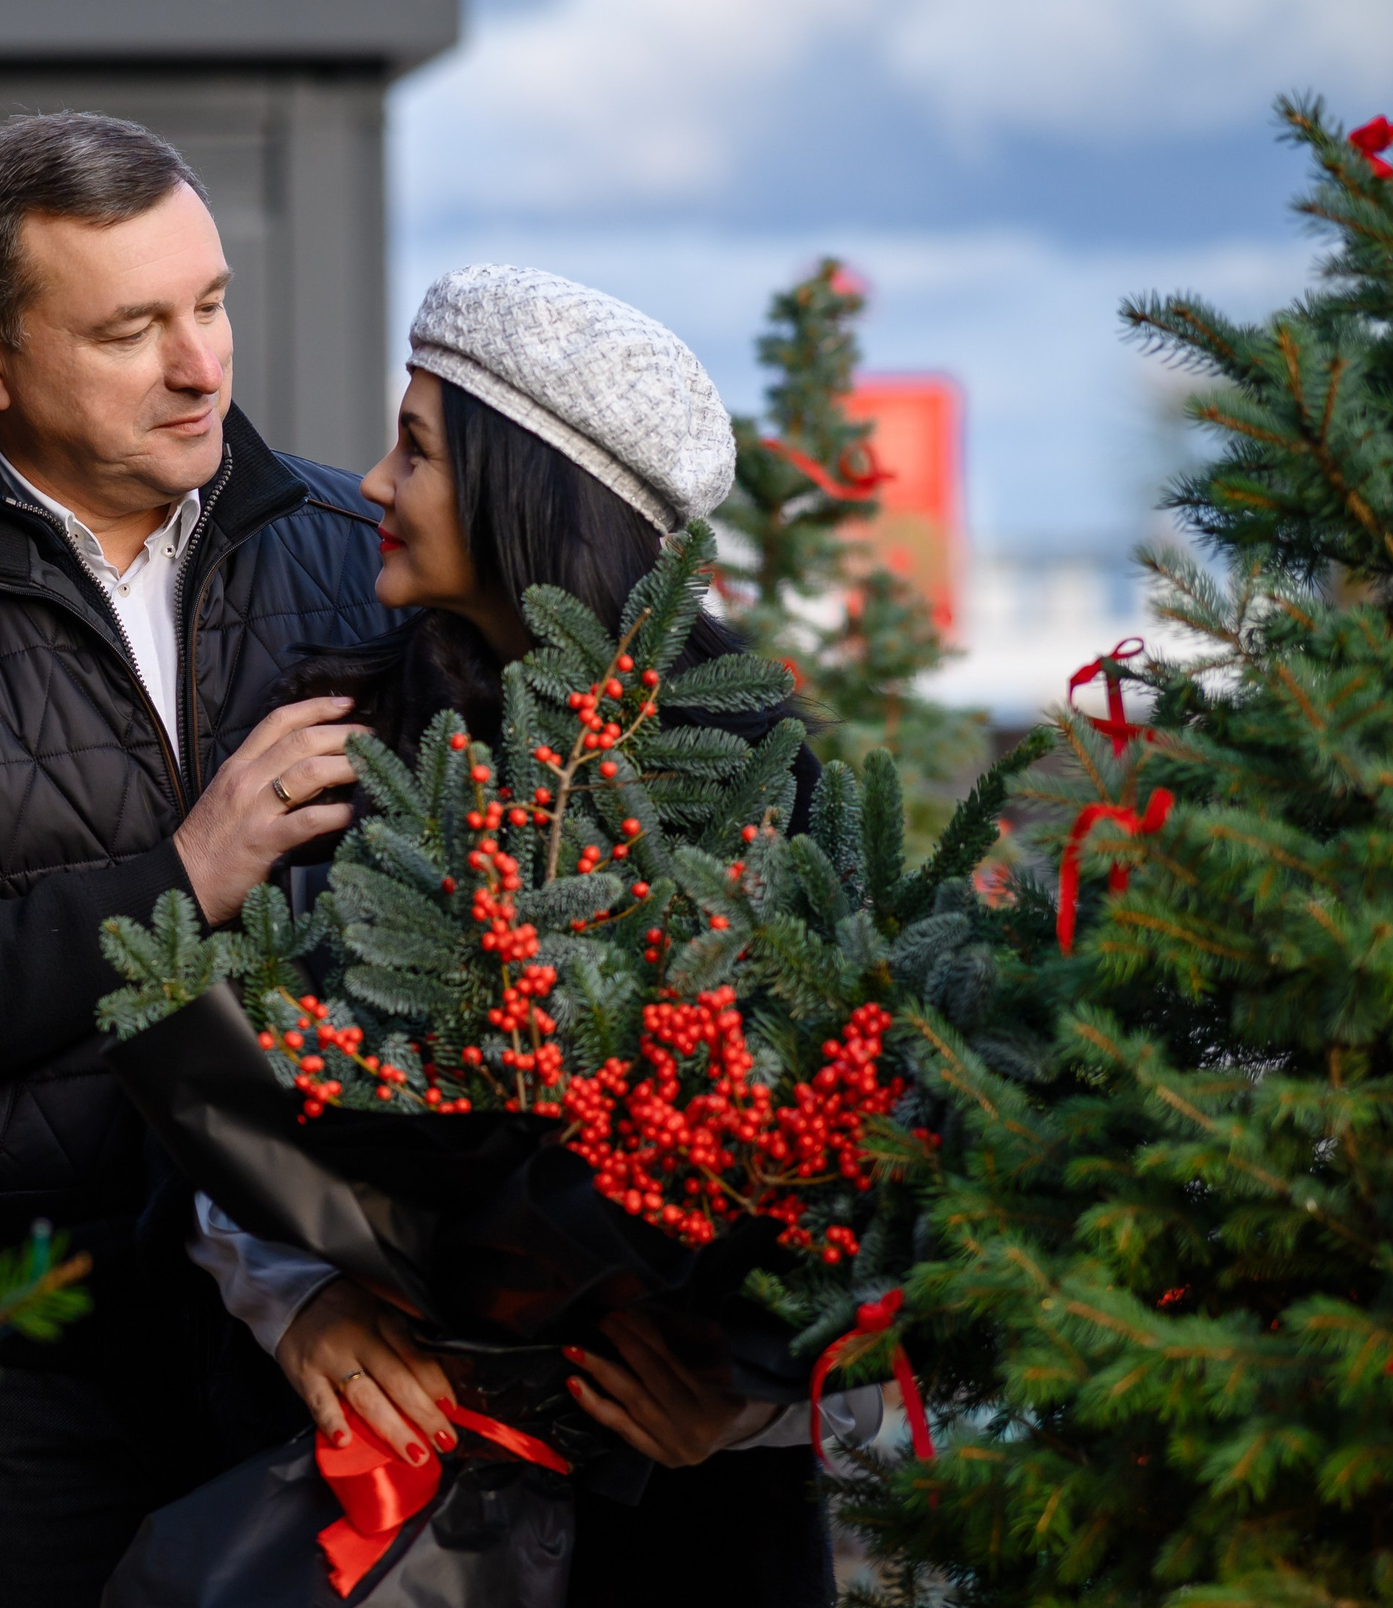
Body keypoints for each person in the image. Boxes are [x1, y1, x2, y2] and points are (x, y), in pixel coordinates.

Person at [0, 114, 401, 1606]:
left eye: (214, 302)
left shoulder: (355, 560)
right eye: (131, 329)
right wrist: (169, 884)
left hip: (320, 1317)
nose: (200, 365)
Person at [188, 265, 883, 1607]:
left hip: (683, 1520)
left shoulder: (752, 770)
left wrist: (748, 1402)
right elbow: (222, 1080)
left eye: (417, 450)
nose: (374, 484)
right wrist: (301, 1300)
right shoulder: (345, 741)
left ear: (527, 498)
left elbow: (869, 1157)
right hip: (401, 1499)